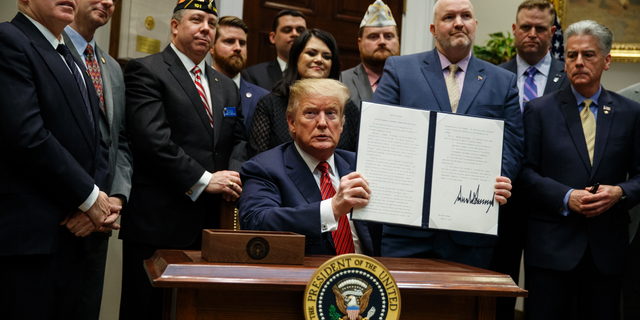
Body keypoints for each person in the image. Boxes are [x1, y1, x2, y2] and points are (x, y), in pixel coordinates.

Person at [118, 1, 247, 319]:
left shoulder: (226, 86)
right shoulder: (147, 70)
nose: (206, 28)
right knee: (146, 311)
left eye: (212, 22)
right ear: (175, 26)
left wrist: (231, 173)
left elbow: (239, 140)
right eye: (197, 19)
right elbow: (153, 141)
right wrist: (206, 180)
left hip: (210, 226)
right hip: (158, 223)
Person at [372, 0, 522, 269]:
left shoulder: (503, 81)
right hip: (407, 228)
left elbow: (511, 146)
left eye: (466, 16)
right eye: (449, 17)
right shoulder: (399, 70)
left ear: (475, 25)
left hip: (471, 230)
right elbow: (380, 138)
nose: (458, 22)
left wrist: (502, 178)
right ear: (433, 28)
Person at [519, 20, 640, 320]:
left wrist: (620, 192)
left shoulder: (630, 112)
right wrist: (565, 196)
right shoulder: (539, 111)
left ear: (606, 60)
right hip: (551, 252)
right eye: (571, 56)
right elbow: (524, 172)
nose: (578, 62)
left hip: (606, 253)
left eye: (588, 55)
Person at [0, 0, 113, 318]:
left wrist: (93, 201)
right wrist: (88, 197)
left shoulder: (71, 56)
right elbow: (27, 136)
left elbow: (97, 140)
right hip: (29, 242)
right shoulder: (9, 40)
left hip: (74, 237)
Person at [492, 1, 570, 318]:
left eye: (540, 29)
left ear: (552, 33)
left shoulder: (570, 77)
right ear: (514, 30)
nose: (532, 34)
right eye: (525, 27)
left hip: (550, 202)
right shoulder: (494, 76)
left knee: (546, 295)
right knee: (499, 289)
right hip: (504, 200)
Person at [239, 78, 375, 256]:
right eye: (310, 113)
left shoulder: (361, 165)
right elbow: (255, 223)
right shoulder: (264, 167)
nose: (322, 123)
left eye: (331, 113)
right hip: (305, 277)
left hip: (371, 273)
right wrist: (332, 209)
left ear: (342, 124)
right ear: (292, 122)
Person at [60, 0, 133, 318]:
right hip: (61, 216)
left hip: (100, 222)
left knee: (87, 309)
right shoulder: (54, 52)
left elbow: (121, 142)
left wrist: (114, 199)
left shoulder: (112, 66)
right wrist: (83, 202)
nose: (108, 2)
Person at [249, 29, 360, 157]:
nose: (319, 60)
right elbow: (258, 158)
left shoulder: (348, 107)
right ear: (296, 58)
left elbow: (357, 159)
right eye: (311, 53)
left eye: (327, 56)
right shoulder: (270, 104)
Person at [210, 16, 269, 137]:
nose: (237, 48)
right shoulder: (196, 88)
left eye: (242, 43)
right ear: (211, 47)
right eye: (229, 41)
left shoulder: (263, 99)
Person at [341, 0, 400, 107]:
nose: (382, 42)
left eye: (388, 36)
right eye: (373, 36)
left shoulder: (413, 83)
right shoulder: (340, 82)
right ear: (360, 43)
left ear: (398, 41)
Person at [242, 9, 307, 91]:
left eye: (300, 31)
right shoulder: (254, 75)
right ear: (273, 37)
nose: (295, 34)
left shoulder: (318, 72)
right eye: (287, 30)